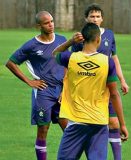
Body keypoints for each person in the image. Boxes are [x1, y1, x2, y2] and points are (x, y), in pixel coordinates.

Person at [53, 22, 129, 160]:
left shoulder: (71, 58)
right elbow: (114, 94)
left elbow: (55, 53)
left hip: (76, 121)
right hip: (99, 123)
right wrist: (122, 124)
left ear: (83, 39)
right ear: (98, 39)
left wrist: (70, 41)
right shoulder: (107, 62)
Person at [5, 11, 68, 160]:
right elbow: (10, 63)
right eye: (46, 23)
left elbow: (67, 62)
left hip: (61, 91)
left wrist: (65, 86)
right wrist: (29, 81)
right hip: (43, 92)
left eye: (52, 21)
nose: (51, 24)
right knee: (43, 130)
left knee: (69, 130)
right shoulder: (31, 45)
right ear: (39, 26)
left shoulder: (62, 39)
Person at [71, 4, 129, 159]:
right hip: (88, 88)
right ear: (86, 19)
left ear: (102, 19)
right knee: (92, 124)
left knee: (114, 123)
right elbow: (71, 65)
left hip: (107, 86)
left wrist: (122, 80)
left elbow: (114, 59)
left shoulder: (109, 35)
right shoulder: (80, 38)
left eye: (97, 16)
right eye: (92, 16)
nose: (95, 19)